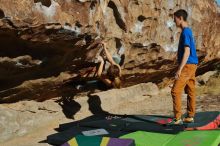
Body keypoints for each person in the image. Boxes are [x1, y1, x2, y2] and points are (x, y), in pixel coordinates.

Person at [169, 9, 198, 125]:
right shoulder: (189, 31)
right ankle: (190, 115)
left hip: (187, 65)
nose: (173, 21)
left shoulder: (185, 32)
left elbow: (187, 51)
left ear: (180, 18)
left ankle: (177, 118)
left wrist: (179, 69)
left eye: (174, 18)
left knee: (175, 91)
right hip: (193, 64)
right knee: (191, 89)